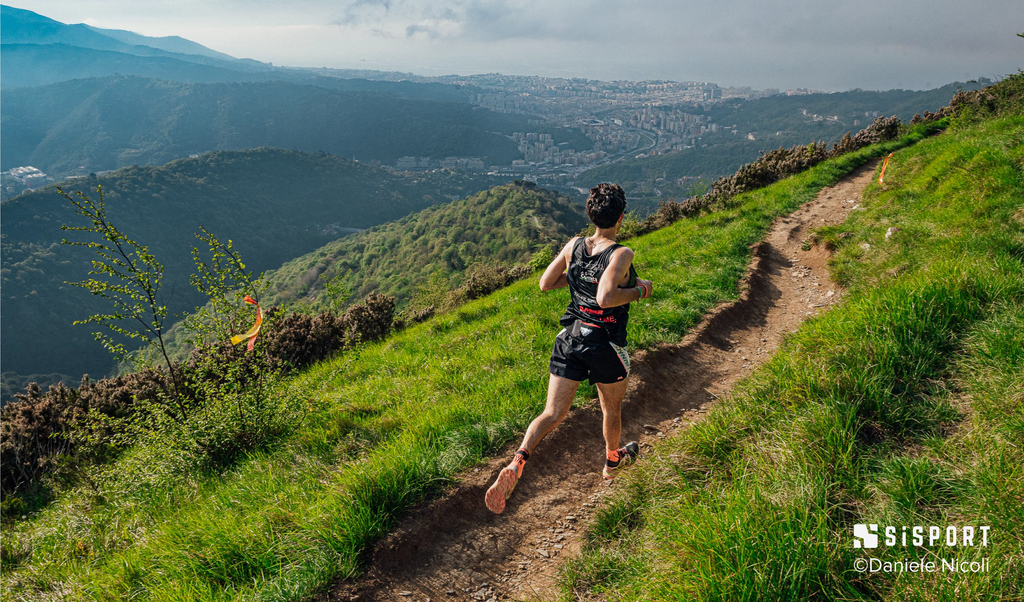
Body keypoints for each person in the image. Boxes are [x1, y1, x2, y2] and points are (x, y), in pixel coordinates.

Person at [485, 183, 653, 514]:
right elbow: (606, 298)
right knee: (611, 409)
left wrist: (579, 281)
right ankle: (612, 461)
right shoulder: (621, 253)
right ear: (621, 217)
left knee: (552, 413)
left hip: (569, 339)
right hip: (603, 343)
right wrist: (641, 291)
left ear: (591, 214)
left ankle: (519, 460)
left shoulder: (574, 244)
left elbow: (546, 283)